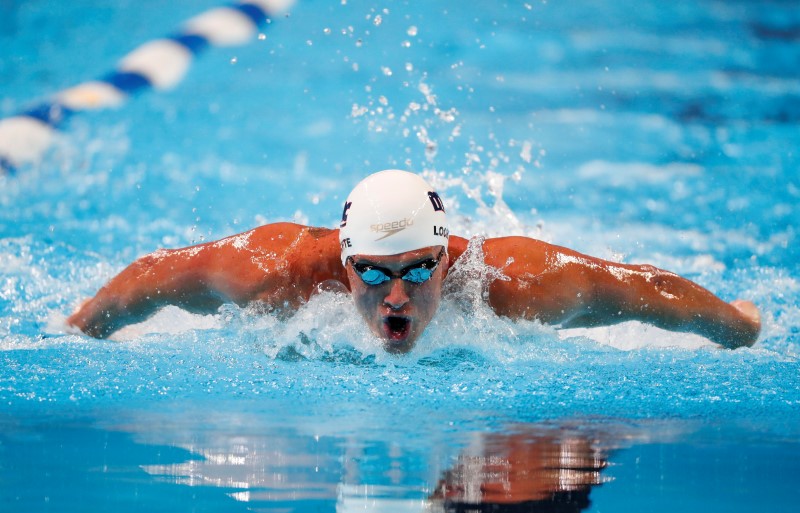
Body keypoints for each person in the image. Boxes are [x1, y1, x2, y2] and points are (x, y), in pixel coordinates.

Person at [66, 169, 761, 352]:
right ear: (342, 263)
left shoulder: (512, 282)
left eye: (419, 268)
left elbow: (643, 290)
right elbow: (150, 279)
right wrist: (77, 330)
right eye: (371, 271)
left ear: (444, 255)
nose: (395, 293)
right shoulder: (272, 271)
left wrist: (738, 326)